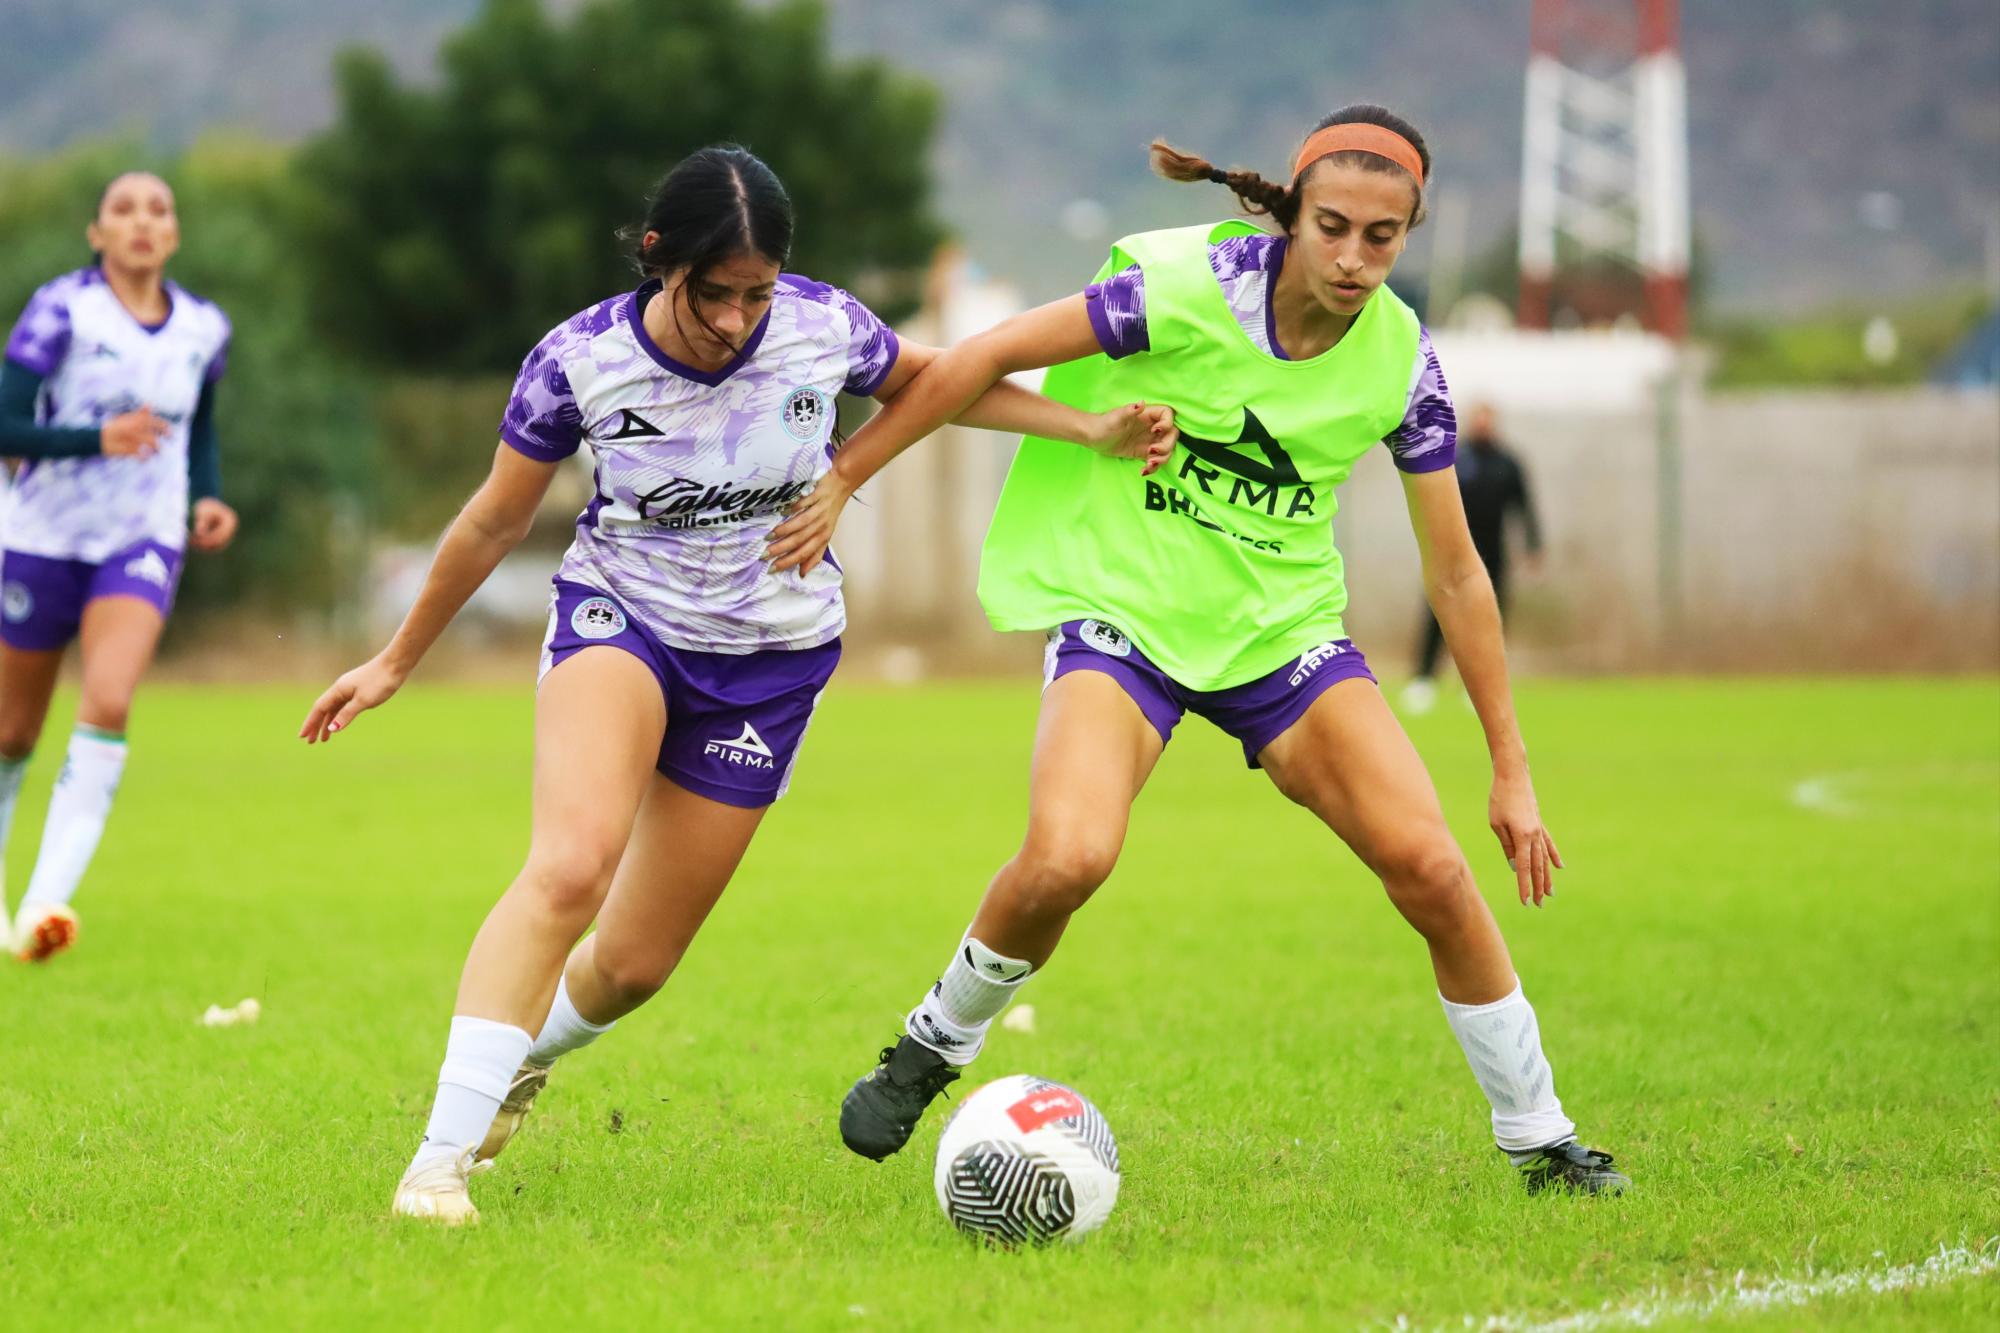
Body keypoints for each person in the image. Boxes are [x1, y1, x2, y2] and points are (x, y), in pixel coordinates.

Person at [298, 145, 1174, 1226]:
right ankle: (435, 1166)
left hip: (771, 662)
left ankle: (524, 1059)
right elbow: (493, 519)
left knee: (631, 963)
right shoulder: (576, 362)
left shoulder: (819, 325)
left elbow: (938, 382)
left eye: (756, 292)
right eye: (715, 293)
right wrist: (394, 660)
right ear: (660, 263)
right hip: (624, 621)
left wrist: (1085, 427)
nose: (736, 318)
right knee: (569, 867)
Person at [770, 105, 1628, 1195]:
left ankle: (1541, 1140)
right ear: (1292, 212)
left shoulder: (1402, 360)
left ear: (1408, 232)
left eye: (1381, 236)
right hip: (1126, 607)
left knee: (1432, 869)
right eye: (1331, 227)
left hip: (1281, 634)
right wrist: (845, 476)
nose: (1353, 258)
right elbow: (979, 357)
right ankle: (934, 1041)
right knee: (1068, 857)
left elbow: (1456, 571)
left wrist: (1510, 768)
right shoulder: (1182, 296)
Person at [0, 171, 238, 963]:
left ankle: (42, 905)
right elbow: (5, 424)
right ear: (96, 233)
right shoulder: (61, 310)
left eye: (159, 209)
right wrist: (91, 439)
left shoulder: (204, 327)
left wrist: (207, 496)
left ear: (173, 234)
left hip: (140, 538)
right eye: (124, 210)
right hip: (39, 536)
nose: (142, 222)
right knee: (11, 732)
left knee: (107, 698)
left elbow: (198, 424)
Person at [1403, 402, 1541, 714]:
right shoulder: (1455, 457)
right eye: (1478, 419)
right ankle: (1424, 680)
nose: (1483, 425)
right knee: (1437, 615)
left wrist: (1533, 546)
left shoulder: (1508, 462)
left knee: (1489, 621)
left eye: (1487, 420)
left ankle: (1478, 688)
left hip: (1494, 556)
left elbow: (1525, 507)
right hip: (1452, 552)